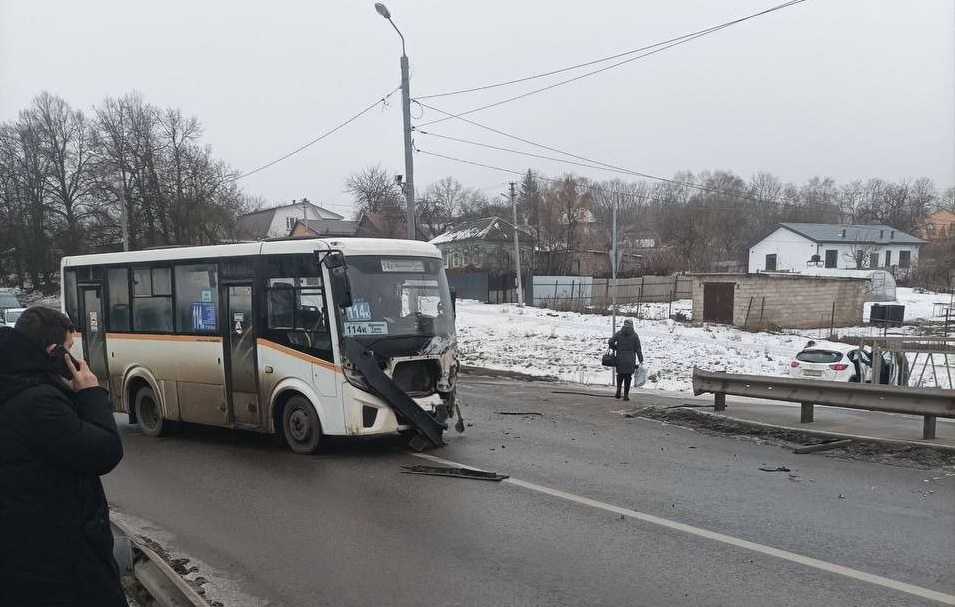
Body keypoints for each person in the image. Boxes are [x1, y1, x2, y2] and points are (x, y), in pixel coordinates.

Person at [0, 306, 128, 607]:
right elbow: (105, 451)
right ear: (54, 352)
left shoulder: (16, 385)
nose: (75, 359)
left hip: (25, 555)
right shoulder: (39, 404)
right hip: (59, 564)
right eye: (70, 349)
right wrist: (89, 393)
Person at [609, 318, 644, 401]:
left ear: (624, 325)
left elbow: (610, 342)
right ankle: (625, 395)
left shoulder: (619, 334)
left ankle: (618, 390)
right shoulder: (635, 335)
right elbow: (638, 349)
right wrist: (641, 360)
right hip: (630, 360)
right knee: (628, 377)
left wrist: (616, 348)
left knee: (620, 375)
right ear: (632, 326)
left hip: (620, 358)